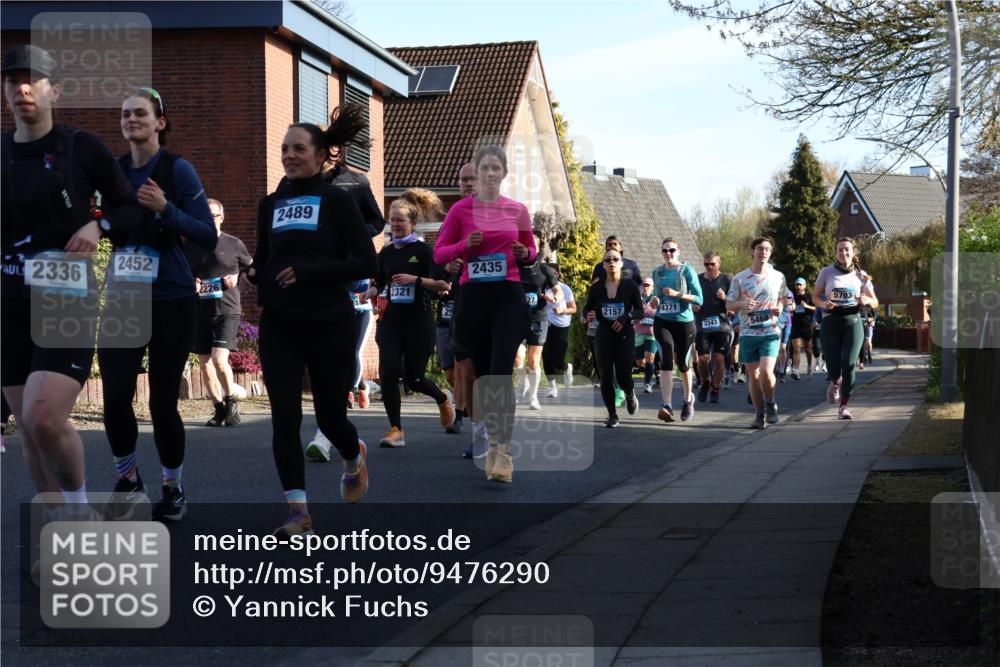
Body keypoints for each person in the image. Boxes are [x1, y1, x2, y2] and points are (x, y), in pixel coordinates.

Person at [1, 45, 142, 513]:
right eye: (12, 80)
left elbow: (129, 209)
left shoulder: (80, 148)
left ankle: (81, 511)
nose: (22, 87)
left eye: (34, 79)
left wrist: (96, 225)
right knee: (26, 423)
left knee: (44, 415)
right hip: (9, 298)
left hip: (65, 295)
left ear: (54, 91)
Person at [244, 118, 376, 536]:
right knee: (284, 417)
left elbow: (366, 263)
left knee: (330, 417)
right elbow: (267, 259)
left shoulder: (338, 201)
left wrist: (311, 271)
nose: (289, 155)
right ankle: (298, 511)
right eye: (284, 149)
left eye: (298, 149)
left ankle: (353, 454)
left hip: (328, 321)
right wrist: (254, 273)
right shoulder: (270, 205)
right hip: (280, 322)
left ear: (321, 156)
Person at [434, 145, 535, 483]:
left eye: (496, 168)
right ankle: (493, 441)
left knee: (499, 372)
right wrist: (465, 246)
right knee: (480, 375)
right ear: (476, 175)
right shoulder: (460, 211)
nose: (490, 174)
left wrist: (525, 253)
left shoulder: (517, 210)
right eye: (484, 169)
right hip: (474, 301)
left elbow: (531, 250)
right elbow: (439, 254)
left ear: (503, 174)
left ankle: (501, 451)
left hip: (508, 296)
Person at [370, 189, 455, 448]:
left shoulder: (425, 252)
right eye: (392, 219)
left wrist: (415, 280)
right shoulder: (385, 253)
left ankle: (442, 398)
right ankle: (395, 429)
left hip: (419, 321)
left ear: (413, 223)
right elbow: (380, 282)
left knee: (413, 379)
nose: (395, 224)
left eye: (400, 220)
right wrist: (372, 291)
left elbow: (444, 285)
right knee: (388, 372)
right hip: (391, 321)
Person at [190, 198, 252, 427]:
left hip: (227, 309)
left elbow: (250, 267)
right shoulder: (192, 245)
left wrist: (237, 280)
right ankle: (218, 408)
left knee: (218, 359)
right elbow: (186, 274)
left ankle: (232, 401)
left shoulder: (234, 244)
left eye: (212, 216)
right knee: (205, 364)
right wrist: (193, 283)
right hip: (201, 310)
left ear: (221, 218)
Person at [726, 237, 789, 429]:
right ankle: (759, 414)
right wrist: (743, 304)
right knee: (752, 376)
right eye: (760, 249)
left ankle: (770, 402)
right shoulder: (740, 278)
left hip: (770, 330)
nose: (764, 252)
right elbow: (729, 304)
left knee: (766, 371)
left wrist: (779, 308)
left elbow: (783, 298)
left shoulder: (778, 276)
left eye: (767, 249)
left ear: (770, 253)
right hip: (748, 332)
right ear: (752, 251)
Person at [813, 237, 878, 420]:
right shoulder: (826, 272)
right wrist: (824, 304)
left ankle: (844, 406)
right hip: (831, 321)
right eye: (840, 250)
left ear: (853, 252)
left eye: (847, 250)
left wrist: (867, 300)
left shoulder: (861, 275)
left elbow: (875, 301)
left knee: (849, 363)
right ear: (836, 252)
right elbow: (815, 297)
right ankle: (835, 381)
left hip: (853, 321)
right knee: (833, 363)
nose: (844, 253)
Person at [584, 248, 643, 427]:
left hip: (624, 333)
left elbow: (639, 310)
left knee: (624, 375)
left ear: (621, 263)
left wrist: (627, 317)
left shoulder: (630, 286)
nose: (611, 263)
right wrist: (589, 314)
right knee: (606, 375)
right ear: (603, 264)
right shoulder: (596, 287)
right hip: (603, 334)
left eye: (615, 259)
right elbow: (586, 308)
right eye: (608, 260)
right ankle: (612, 415)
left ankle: (630, 394)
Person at [651, 238, 703, 423]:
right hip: (663, 321)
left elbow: (699, 299)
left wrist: (677, 295)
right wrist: (655, 300)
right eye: (665, 251)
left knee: (682, 363)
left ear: (679, 250)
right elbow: (655, 296)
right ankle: (667, 406)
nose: (668, 254)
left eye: (672, 250)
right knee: (665, 359)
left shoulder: (687, 271)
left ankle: (688, 400)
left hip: (684, 322)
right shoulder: (657, 272)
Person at [514, 236, 561, 409]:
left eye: (533, 243)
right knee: (517, 358)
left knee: (534, 361)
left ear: (539, 247)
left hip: (538, 318)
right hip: (517, 318)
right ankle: (523, 382)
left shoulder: (544, 270)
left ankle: (533, 396)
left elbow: (559, 292)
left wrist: (554, 298)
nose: (529, 246)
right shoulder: (513, 268)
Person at [694, 252, 732, 404]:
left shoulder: (727, 279)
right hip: (702, 325)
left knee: (719, 358)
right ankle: (705, 383)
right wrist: (693, 306)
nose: (709, 267)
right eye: (706, 264)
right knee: (702, 359)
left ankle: (715, 388)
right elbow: (690, 298)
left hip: (721, 325)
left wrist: (725, 299)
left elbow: (735, 303)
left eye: (712, 264)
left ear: (719, 264)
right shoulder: (697, 279)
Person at [633, 278, 660, 393]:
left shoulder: (656, 300)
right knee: (640, 362)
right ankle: (655, 373)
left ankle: (647, 383)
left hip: (652, 334)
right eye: (644, 285)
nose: (645, 287)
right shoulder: (637, 299)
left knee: (650, 357)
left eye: (648, 285)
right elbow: (632, 312)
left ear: (652, 287)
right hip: (639, 333)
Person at [789, 277, 816, 379]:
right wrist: (791, 309)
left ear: (804, 286)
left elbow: (816, 308)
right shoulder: (792, 296)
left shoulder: (809, 296)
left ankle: (809, 366)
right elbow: (788, 308)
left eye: (800, 285)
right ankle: (796, 370)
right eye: (797, 284)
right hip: (795, 324)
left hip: (807, 325)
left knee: (808, 348)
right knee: (796, 348)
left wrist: (806, 306)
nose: (798, 286)